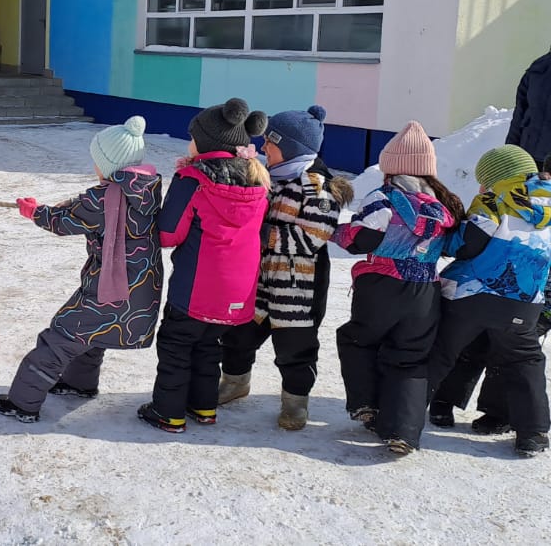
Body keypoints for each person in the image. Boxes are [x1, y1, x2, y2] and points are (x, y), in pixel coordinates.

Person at [0, 116, 163, 423]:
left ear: (109, 165)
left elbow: (63, 222)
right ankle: (78, 383)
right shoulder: (147, 190)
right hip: (140, 291)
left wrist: (35, 212)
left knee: (61, 336)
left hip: (110, 289)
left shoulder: (103, 197)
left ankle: (23, 404)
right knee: (92, 333)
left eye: (96, 160)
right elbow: (82, 210)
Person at [329, 121, 465, 456]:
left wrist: (335, 232)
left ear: (391, 166)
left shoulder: (384, 198)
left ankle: (366, 404)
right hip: (425, 291)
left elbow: (361, 239)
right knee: (410, 358)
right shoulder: (442, 205)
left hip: (381, 285)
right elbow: (453, 246)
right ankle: (403, 431)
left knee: (358, 339)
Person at [137, 98, 270, 434]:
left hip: (195, 289)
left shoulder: (193, 179)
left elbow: (168, 233)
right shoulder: (258, 181)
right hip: (238, 293)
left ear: (207, 141)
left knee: (176, 346)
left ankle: (168, 413)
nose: (189, 143)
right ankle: (203, 406)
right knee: (208, 346)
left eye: (192, 137)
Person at [217, 106, 353, 430]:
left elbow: (312, 237)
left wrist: (260, 232)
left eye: (271, 142)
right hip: (260, 279)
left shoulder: (318, 187)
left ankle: (295, 400)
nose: (264, 147)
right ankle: (235, 381)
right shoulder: (270, 178)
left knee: (295, 348)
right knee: (238, 335)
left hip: (298, 289)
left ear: (292, 148)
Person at [426, 145, 551, 458]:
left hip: (472, 294)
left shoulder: (494, 200)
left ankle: (415, 413)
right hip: (524, 302)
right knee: (525, 361)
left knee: (445, 349)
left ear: (498, 177)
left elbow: (468, 245)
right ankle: (533, 433)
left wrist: (449, 238)